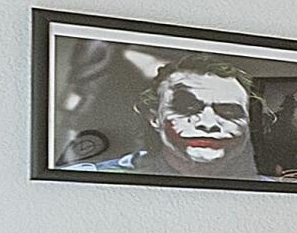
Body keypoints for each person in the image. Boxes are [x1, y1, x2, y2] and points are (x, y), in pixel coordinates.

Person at [63, 56, 264, 178]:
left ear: (248, 122)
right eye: (188, 108)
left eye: (228, 111)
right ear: (154, 118)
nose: (208, 124)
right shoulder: (94, 177)